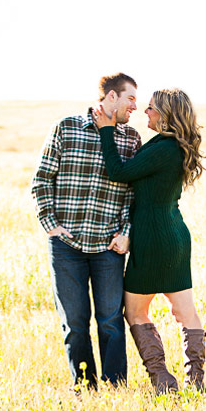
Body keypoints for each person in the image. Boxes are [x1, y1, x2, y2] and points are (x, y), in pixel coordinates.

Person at [32, 73, 141, 391]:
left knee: (110, 322)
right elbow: (41, 179)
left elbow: (132, 195)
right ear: (110, 97)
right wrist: (50, 225)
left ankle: (115, 388)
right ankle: (84, 387)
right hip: (67, 246)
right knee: (75, 323)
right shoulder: (65, 128)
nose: (136, 105)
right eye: (130, 98)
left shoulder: (131, 139)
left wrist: (125, 232)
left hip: (108, 247)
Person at [93, 87, 206, 393]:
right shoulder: (171, 145)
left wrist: (105, 131)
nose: (146, 112)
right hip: (174, 236)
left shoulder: (164, 148)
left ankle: (162, 380)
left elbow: (118, 172)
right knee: (185, 312)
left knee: (135, 311)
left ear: (167, 114)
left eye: (152, 108)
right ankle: (195, 382)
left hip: (153, 237)